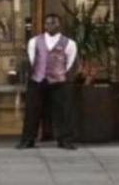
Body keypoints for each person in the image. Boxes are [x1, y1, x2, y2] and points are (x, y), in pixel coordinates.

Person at [17, 13, 78, 150]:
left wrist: (59, 74)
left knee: (63, 111)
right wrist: (39, 73)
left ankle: (65, 140)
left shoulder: (70, 43)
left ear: (59, 24)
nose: (50, 25)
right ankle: (28, 140)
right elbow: (33, 59)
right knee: (32, 111)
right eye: (47, 23)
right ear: (44, 25)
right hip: (38, 80)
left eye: (53, 22)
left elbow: (70, 62)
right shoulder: (34, 41)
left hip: (59, 81)